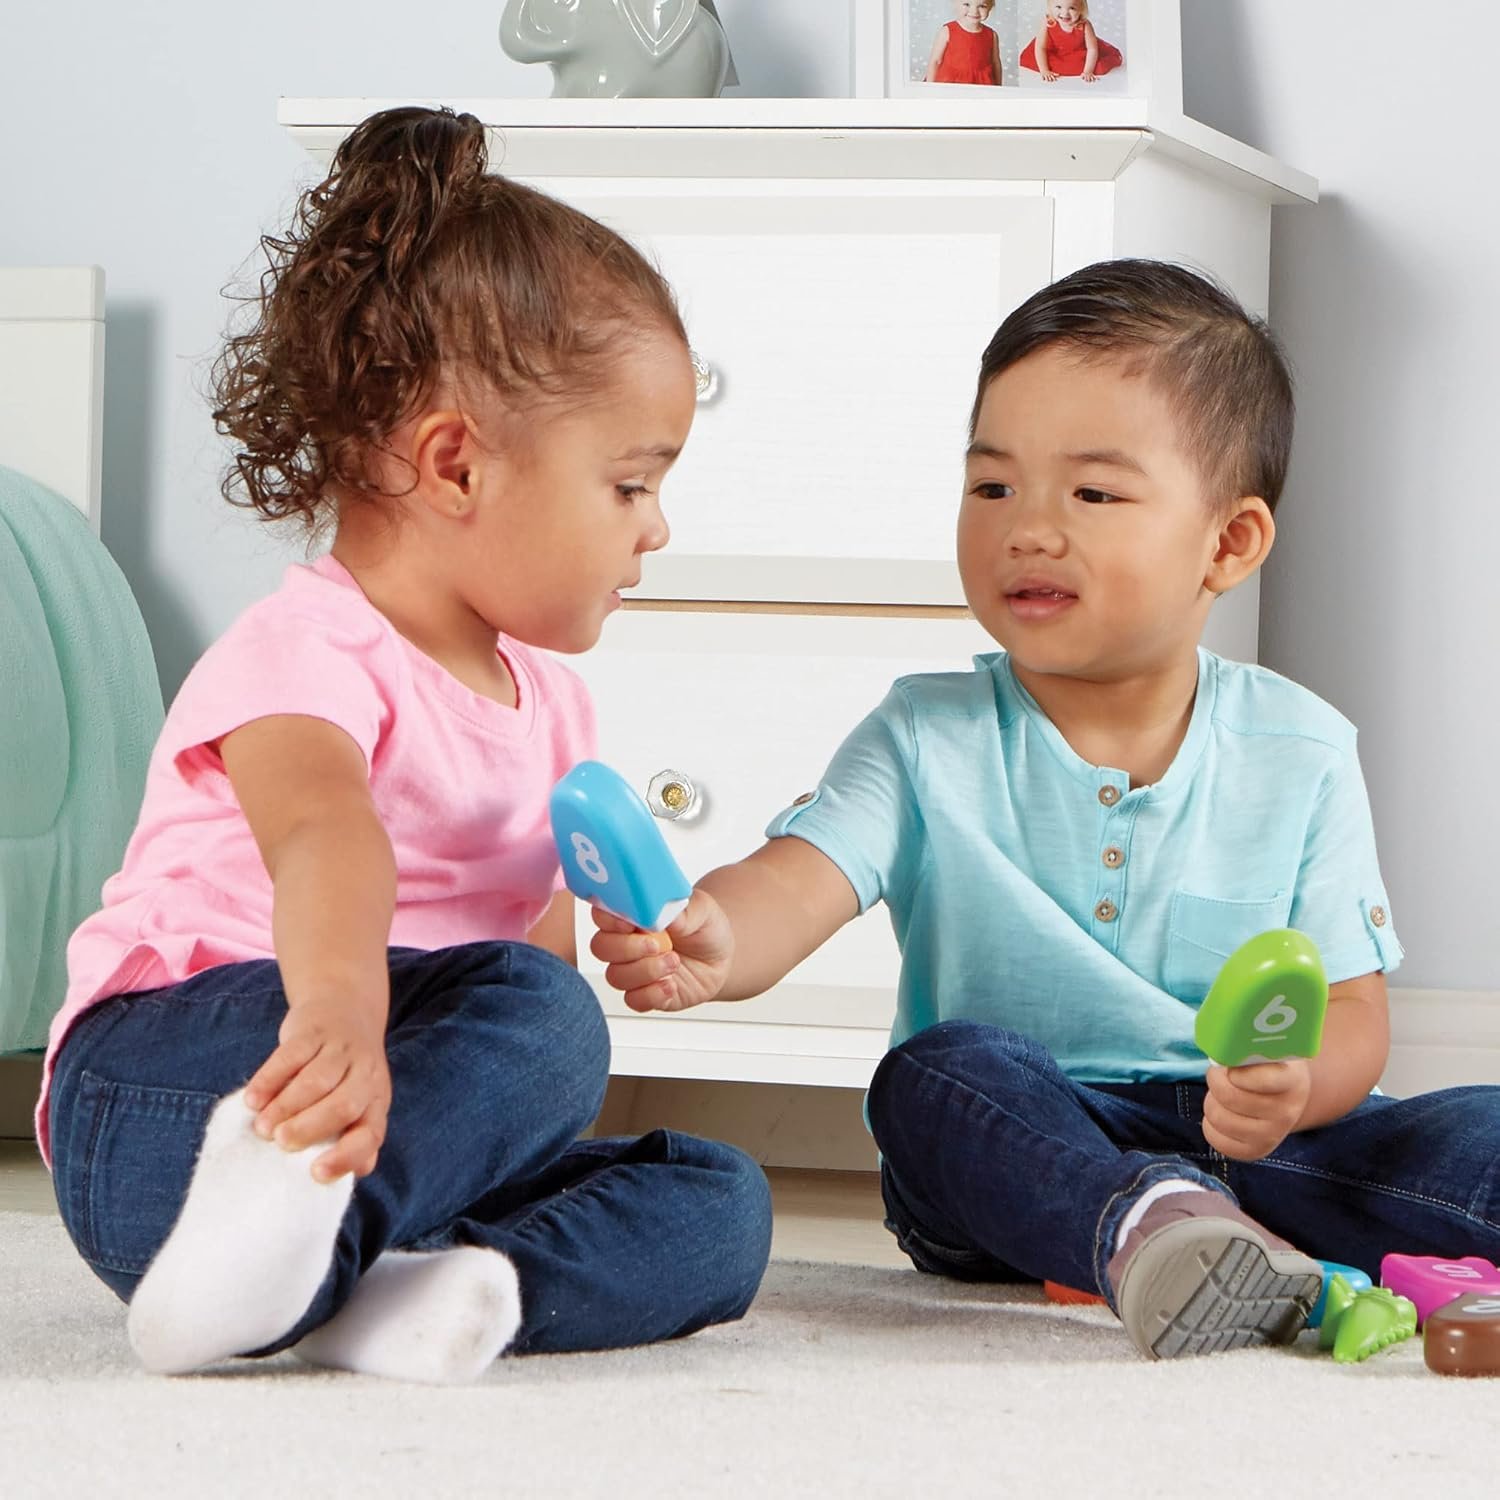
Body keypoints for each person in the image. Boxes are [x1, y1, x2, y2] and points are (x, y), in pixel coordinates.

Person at [592, 259, 1500, 1361]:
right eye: (993, 488)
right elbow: (798, 878)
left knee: (1473, 1128)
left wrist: (1296, 1090)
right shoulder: (926, 732)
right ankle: (1151, 1230)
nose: (1027, 528)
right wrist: (717, 939)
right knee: (934, 1078)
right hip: (1023, 1145)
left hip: (1255, 1140)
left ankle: (1222, 1233)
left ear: (1229, 543)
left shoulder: (1301, 750)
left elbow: (1352, 1012)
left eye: (1093, 495)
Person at [39, 105, 772, 1384]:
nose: (655, 528)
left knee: (719, 1200)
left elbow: (521, 985)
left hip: (381, 1133)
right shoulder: (304, 649)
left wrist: (632, 936)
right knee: (541, 1017)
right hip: (196, 1093)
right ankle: (296, 1239)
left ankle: (395, 1293)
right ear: (455, 466)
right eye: (630, 484)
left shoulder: (553, 708)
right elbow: (326, 838)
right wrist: (338, 1011)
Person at [1020, 0, 1123, 82]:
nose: (1065, 13)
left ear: (1081, 9)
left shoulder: (1084, 25)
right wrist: (1044, 70)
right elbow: (1040, 47)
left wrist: (1088, 71)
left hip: (1079, 51)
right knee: (1036, 59)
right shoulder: (1049, 22)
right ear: (1050, 6)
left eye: (1072, 8)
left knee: (1097, 66)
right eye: (1058, 7)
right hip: (1054, 51)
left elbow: (1092, 49)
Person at [926, 0, 1003, 86]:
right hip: (950, 82)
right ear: (955, 4)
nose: (974, 11)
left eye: (982, 6)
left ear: (990, 7)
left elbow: (995, 63)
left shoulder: (991, 35)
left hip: (981, 83)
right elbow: (935, 61)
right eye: (967, 4)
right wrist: (930, 86)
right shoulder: (947, 31)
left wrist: (998, 87)